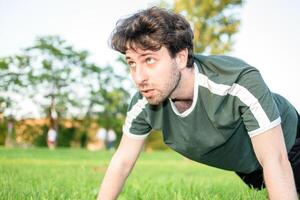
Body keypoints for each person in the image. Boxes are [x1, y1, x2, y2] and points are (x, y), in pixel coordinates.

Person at [98, 7, 300, 200]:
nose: (139, 77)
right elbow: (122, 161)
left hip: (289, 145)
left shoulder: (237, 82)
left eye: (149, 60)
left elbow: (276, 159)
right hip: (246, 166)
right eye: (131, 63)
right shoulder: (142, 104)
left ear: (180, 57)